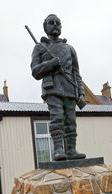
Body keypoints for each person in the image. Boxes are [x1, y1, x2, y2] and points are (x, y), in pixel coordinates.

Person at [31, 14, 86, 161]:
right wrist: (50, 64)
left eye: (58, 23)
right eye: (51, 22)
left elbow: (76, 73)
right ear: (45, 27)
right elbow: (35, 72)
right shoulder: (39, 47)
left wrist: (81, 93)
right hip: (52, 88)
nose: (55, 25)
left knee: (71, 121)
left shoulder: (70, 49)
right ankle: (58, 150)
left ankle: (72, 150)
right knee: (57, 118)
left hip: (69, 89)